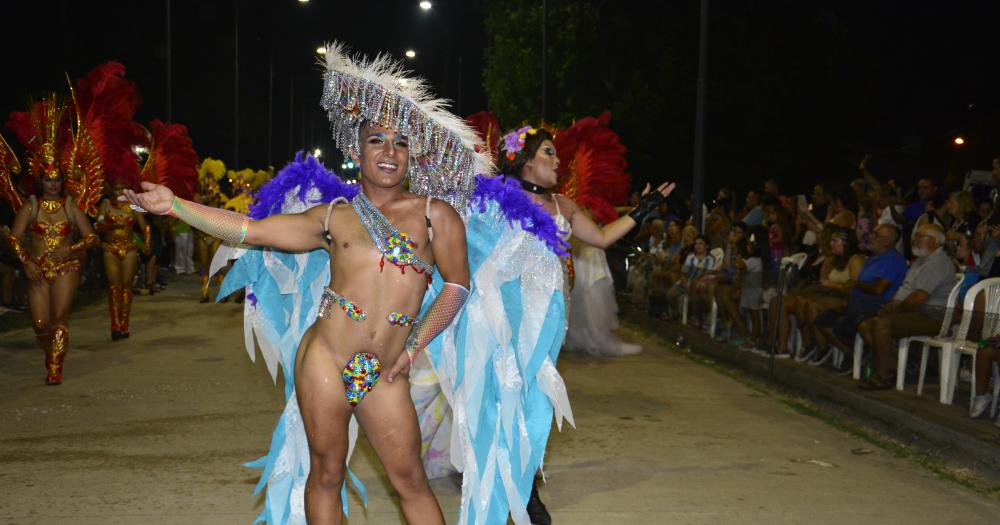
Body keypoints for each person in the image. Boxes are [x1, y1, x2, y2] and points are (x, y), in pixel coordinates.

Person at [124, 43, 484, 524]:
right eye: (377, 140)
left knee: (410, 480)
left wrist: (415, 346)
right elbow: (251, 230)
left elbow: (457, 285)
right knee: (327, 472)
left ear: (412, 154)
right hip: (326, 359)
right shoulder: (333, 217)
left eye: (400, 142)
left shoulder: (435, 216)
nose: (389, 152)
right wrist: (176, 206)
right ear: (358, 151)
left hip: (386, 368)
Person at [858, 224, 959, 390]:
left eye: (920, 236)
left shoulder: (938, 262)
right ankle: (895, 366)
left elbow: (918, 298)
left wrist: (894, 310)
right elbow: (905, 290)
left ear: (933, 241)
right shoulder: (921, 261)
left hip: (933, 316)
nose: (915, 239)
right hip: (915, 313)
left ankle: (883, 376)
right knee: (865, 324)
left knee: (882, 325)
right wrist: (890, 305)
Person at [813, 224, 907, 370]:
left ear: (887, 241)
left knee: (843, 324)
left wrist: (855, 284)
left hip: (875, 305)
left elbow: (878, 289)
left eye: (876, 235)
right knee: (822, 320)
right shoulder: (875, 258)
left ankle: (884, 360)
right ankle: (852, 353)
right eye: (873, 233)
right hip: (858, 302)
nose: (871, 237)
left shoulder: (892, 260)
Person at [96, 181, 151, 340]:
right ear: (111, 190)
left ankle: (124, 323)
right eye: (116, 188)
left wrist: (147, 243)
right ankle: (115, 325)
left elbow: (145, 226)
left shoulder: (133, 206)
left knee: (126, 288)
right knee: (114, 287)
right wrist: (107, 225)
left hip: (129, 249)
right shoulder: (105, 204)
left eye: (122, 188)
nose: (119, 191)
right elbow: (97, 225)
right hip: (110, 249)